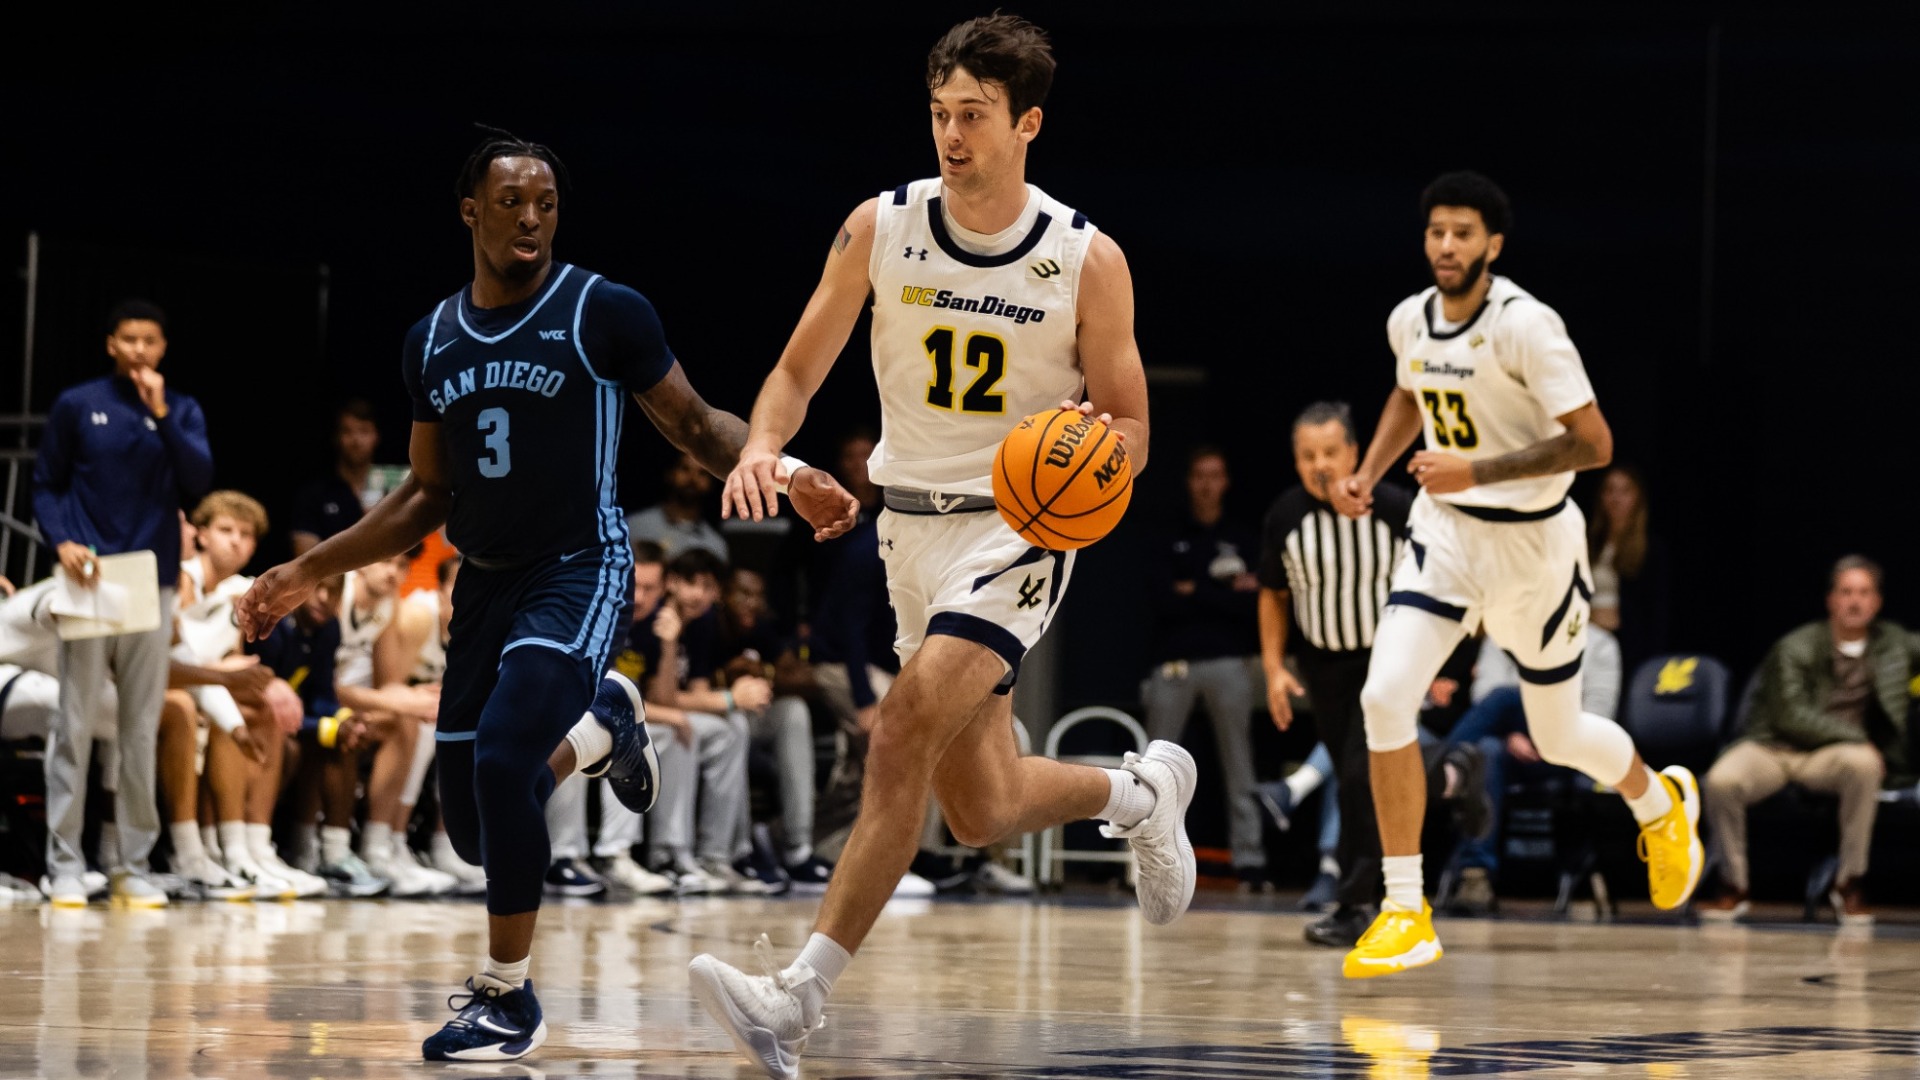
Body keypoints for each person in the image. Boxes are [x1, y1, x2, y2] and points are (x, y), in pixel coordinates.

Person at [236, 130, 856, 1062]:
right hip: (484, 585)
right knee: (479, 830)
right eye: (511, 202)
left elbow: (696, 424)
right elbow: (425, 496)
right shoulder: (431, 340)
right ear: (470, 212)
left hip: (578, 568)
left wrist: (788, 469)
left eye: (547, 203)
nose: (531, 218)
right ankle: (605, 725)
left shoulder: (602, 311)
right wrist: (300, 574)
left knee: (501, 757)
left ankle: (506, 998)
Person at [690, 18, 1194, 1078]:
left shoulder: (1087, 258)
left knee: (900, 729)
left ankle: (795, 998)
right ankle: (1142, 796)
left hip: (1020, 527)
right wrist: (767, 449)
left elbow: (1134, 425)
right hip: (907, 530)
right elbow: (795, 369)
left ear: (1027, 123)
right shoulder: (881, 225)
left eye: (974, 115)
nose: (952, 136)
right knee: (982, 808)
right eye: (939, 113)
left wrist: (1102, 451)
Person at [1330, 171, 1702, 978]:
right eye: (1436, 231)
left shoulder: (1528, 326)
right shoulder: (1409, 318)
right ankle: (1405, 908)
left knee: (1559, 735)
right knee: (1383, 696)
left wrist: (1478, 470)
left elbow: (1595, 444)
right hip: (1448, 538)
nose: (1446, 245)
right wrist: (1368, 471)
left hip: (1534, 547)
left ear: (1492, 245)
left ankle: (1658, 801)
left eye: (1462, 233)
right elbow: (1408, 393)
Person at [1255, 402, 1486, 944]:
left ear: (1355, 453)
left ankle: (1357, 903)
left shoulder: (1394, 507)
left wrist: (1443, 663)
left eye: (1330, 452)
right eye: (1308, 455)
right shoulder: (1286, 516)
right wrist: (1274, 668)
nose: (1320, 465)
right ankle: (1452, 773)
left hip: (1386, 658)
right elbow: (1273, 594)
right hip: (1322, 668)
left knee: (1361, 778)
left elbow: (1445, 578)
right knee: (1355, 779)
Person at [32, 298, 213, 909]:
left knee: (140, 727)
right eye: (129, 339)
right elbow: (47, 483)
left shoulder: (179, 409)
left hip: (151, 579)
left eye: (150, 340)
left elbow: (198, 480)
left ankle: (133, 866)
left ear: (163, 348)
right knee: (74, 723)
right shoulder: (78, 403)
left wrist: (160, 413)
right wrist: (61, 540)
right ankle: (63, 862)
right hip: (90, 577)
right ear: (111, 343)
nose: (139, 350)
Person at [1698, 556, 1919, 926]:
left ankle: (1848, 882)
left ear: (1877, 601)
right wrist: (1858, 737)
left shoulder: (1893, 644)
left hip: (1830, 757)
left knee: (1864, 765)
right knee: (1722, 780)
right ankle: (1733, 884)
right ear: (1831, 599)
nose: (1855, 601)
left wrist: (1859, 744)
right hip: (1775, 747)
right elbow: (1791, 715)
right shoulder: (1795, 646)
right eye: (1846, 592)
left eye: (1864, 593)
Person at [1143, 447, 1264, 890]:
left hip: (1229, 661)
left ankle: (1250, 860)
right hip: (1173, 662)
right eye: (1200, 476)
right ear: (1189, 481)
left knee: (1239, 762)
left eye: (1215, 476)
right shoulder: (1169, 535)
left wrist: (1193, 589)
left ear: (1226, 482)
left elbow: (1251, 605)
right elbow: (1162, 600)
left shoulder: (1242, 538)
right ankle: (1142, 858)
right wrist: (1222, 591)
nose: (1207, 485)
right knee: (1155, 765)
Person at [1441, 625, 1624, 915]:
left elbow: (1599, 713)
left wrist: (1546, 733)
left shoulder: (1599, 643)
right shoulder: (1504, 632)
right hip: (1511, 743)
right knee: (1487, 750)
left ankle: (1439, 769)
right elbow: (1483, 695)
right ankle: (1476, 875)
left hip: (1569, 745)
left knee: (1504, 698)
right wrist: (1510, 735)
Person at [1585, 464, 1671, 679]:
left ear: (1637, 497)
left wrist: (1651, 663)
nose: (1616, 498)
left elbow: (1657, 611)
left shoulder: (1650, 548)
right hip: (1586, 639)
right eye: (1610, 490)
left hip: (1625, 645)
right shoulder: (1590, 543)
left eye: (1625, 491)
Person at [288, 399, 386, 557]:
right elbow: (305, 557)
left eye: (364, 431)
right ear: (336, 437)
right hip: (331, 573)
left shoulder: (394, 491)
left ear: (376, 436)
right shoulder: (314, 495)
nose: (356, 440)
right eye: (347, 431)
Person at [627, 451, 730, 563]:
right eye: (685, 469)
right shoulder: (633, 526)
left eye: (702, 473)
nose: (692, 478)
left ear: (711, 483)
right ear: (670, 474)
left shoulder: (715, 546)